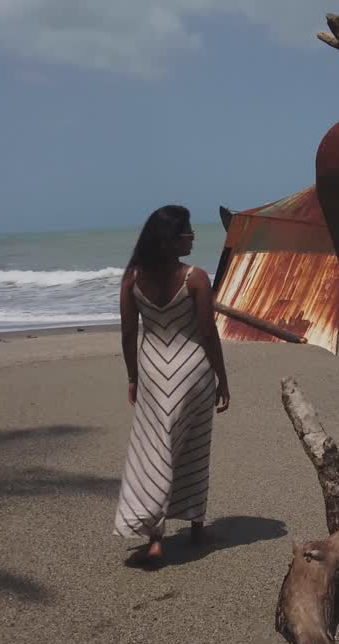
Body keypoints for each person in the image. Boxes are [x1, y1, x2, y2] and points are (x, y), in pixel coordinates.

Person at [113, 204, 230, 566]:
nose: (193, 236)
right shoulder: (195, 278)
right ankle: (195, 526)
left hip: (152, 370)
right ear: (171, 239)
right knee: (194, 445)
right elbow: (208, 334)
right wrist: (222, 378)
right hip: (193, 369)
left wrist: (133, 377)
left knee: (154, 451)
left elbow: (129, 333)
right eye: (186, 232)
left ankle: (155, 538)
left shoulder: (132, 278)